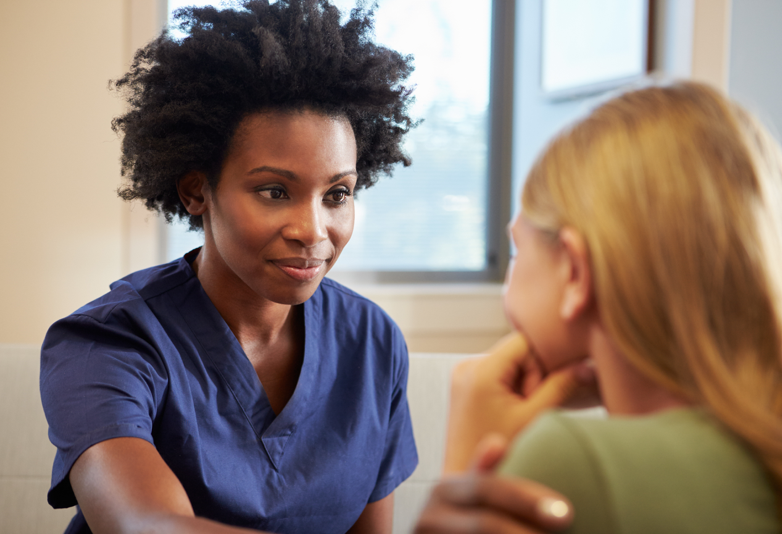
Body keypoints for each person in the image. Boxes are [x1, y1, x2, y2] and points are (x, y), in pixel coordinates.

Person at [40, 2, 421, 532]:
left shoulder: (372, 343)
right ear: (198, 190)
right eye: (274, 190)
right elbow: (142, 525)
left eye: (337, 193)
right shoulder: (106, 344)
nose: (313, 230)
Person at [441, 82, 782, 533]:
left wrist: (468, 476)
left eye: (518, 252)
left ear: (575, 275)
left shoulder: (570, 462)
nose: (509, 292)